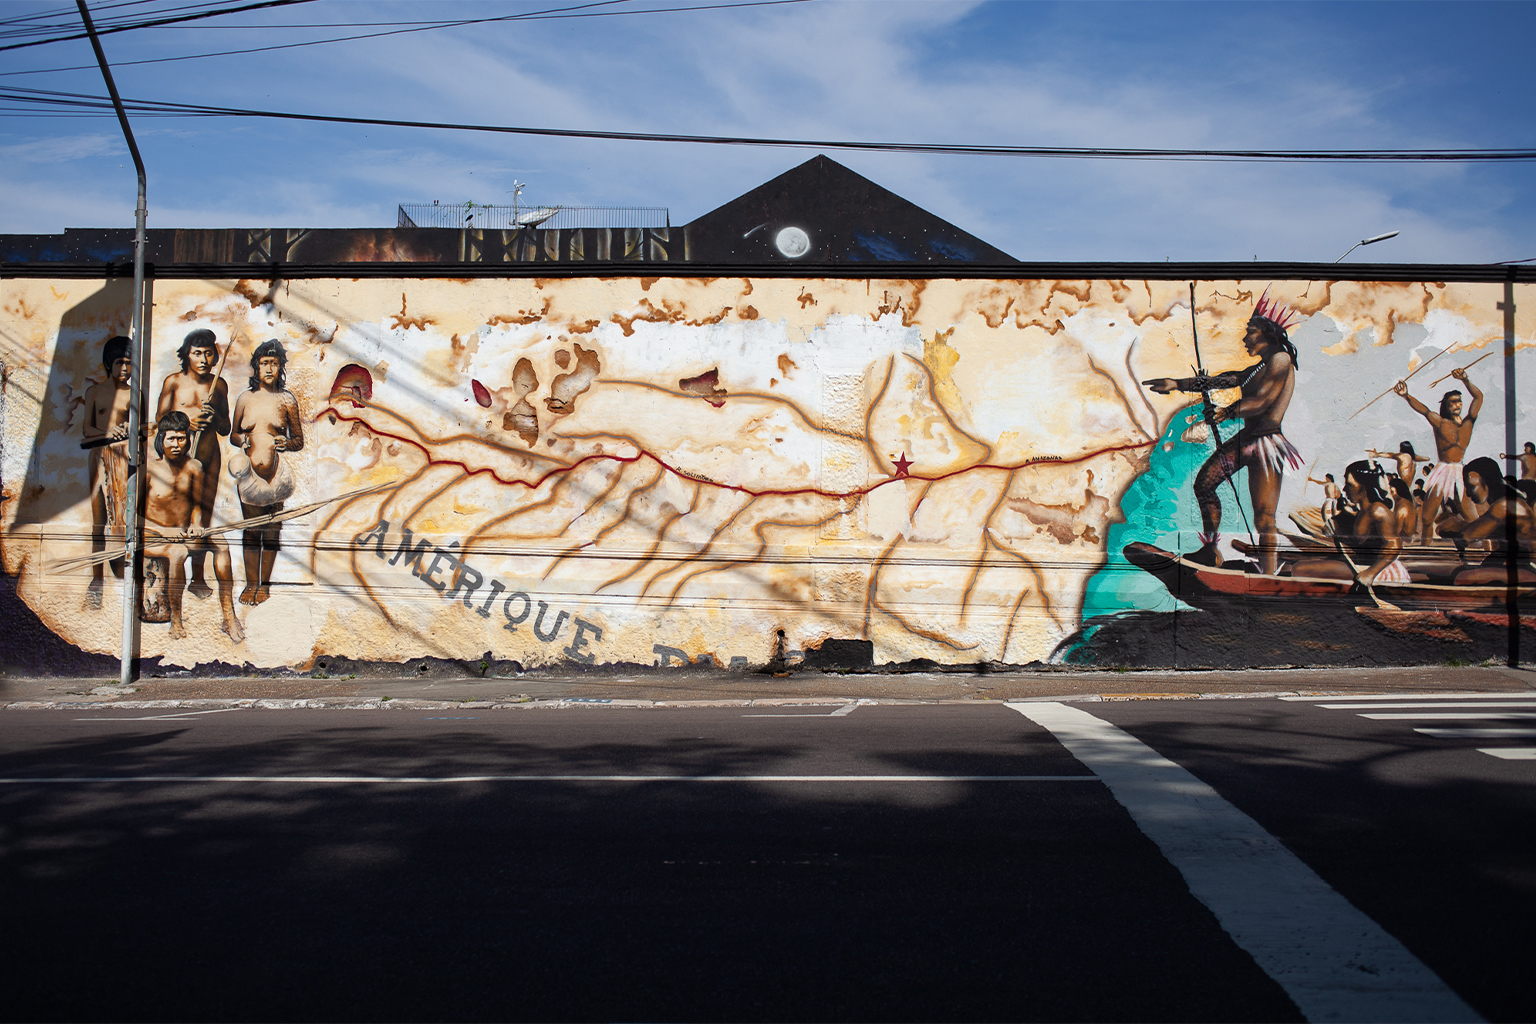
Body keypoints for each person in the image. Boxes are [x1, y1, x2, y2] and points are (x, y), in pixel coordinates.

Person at [1142, 293, 1299, 574]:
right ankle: (1210, 550)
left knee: (1265, 518)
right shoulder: (1255, 369)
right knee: (1204, 484)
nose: (1244, 339)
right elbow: (1218, 380)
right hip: (1246, 441)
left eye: (1249, 332)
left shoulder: (1281, 360)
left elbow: (1263, 400)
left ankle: (1268, 573)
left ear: (1267, 333)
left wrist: (1226, 412)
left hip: (1266, 444)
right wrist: (1176, 383)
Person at [141, 412, 244, 642]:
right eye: (171, 439)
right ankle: (176, 619)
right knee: (177, 553)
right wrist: (163, 531)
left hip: (183, 534)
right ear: (161, 440)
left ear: (188, 439)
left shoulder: (194, 467)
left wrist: (196, 524)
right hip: (154, 536)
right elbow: (132, 518)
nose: (177, 444)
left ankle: (229, 617)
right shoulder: (147, 470)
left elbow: (197, 506)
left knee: (221, 543)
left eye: (181, 438)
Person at [156, 329, 231, 599]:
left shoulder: (218, 385)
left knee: (204, 515)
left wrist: (214, 418)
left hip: (210, 457)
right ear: (186, 354)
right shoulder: (173, 382)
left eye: (208, 353)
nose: (203, 358)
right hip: (180, 458)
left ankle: (198, 578)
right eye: (197, 353)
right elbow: (159, 421)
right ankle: (176, 573)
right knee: (182, 511)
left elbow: (226, 428)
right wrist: (189, 421)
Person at [229, 339, 303, 605]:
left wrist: (286, 443)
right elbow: (234, 434)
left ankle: (265, 585)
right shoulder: (245, 399)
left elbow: (298, 440)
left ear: (281, 367)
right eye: (264, 363)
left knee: (272, 531)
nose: (269, 369)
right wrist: (242, 441)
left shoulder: (287, 400)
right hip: (249, 474)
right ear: (256, 367)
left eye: (274, 363)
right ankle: (250, 584)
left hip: (275, 475)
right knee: (251, 531)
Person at [1393, 367, 1482, 543]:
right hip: (1442, 470)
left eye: (1459, 401)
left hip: (1460, 470)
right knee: (1427, 517)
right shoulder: (1440, 422)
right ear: (1446, 405)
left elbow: (1479, 397)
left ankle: (1480, 547)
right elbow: (1424, 410)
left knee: (1470, 514)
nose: (1457, 405)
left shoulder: (1468, 422)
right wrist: (1406, 396)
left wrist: (1465, 379)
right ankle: (1426, 547)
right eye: (1453, 402)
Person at [1290, 460, 1408, 586]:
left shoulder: (1377, 510)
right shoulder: (1360, 512)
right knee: (1302, 565)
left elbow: (1394, 544)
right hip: (1360, 565)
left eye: (1350, 484)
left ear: (1363, 487)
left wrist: (1370, 574)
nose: (1345, 489)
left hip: (1377, 571)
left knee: (1299, 569)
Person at [81, 335, 133, 609]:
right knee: (98, 522)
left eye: (129, 363)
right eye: (119, 363)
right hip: (98, 457)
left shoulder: (135, 394)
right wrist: (107, 432)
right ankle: (96, 579)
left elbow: (142, 433)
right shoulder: (94, 393)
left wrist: (128, 432)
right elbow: (87, 431)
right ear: (108, 364)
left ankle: (128, 577)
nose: (125, 368)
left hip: (124, 461)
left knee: (124, 521)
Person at [1437, 456, 1535, 585]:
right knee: (1460, 572)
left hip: (1531, 568)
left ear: (1486, 481)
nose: (1468, 493)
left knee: (1463, 577)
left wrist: (1448, 525)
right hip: (1524, 565)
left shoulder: (1504, 506)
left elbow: (1466, 537)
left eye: (1471, 486)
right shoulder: (1506, 503)